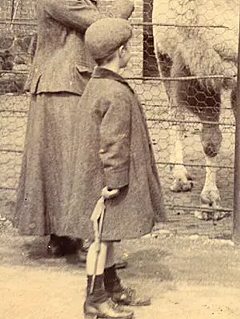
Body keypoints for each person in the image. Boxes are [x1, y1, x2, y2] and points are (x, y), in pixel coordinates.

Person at [14, 0, 143, 258]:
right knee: (79, 161)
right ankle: (88, 240)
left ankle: (63, 236)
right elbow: (101, 27)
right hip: (64, 84)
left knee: (61, 160)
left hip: (63, 83)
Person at [68, 17, 166, 319]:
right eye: (129, 48)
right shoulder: (116, 93)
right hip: (107, 181)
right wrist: (115, 179)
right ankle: (95, 299)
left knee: (107, 235)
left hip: (97, 177)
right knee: (98, 241)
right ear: (121, 51)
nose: (130, 52)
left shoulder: (98, 85)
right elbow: (114, 142)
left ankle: (111, 286)